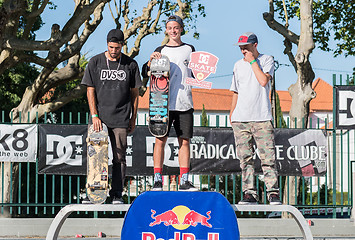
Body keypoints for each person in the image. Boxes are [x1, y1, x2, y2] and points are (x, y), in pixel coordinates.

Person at [81, 29, 142, 204]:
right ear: (106, 44)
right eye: (111, 47)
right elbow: (90, 89)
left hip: (121, 118)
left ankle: (116, 194)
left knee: (119, 157)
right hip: (100, 118)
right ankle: (93, 192)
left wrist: (133, 118)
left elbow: (135, 94)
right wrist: (94, 115)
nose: (114, 51)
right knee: (95, 155)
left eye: (117, 47)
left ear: (122, 45)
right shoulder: (95, 62)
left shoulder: (130, 64)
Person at [141, 15, 197, 191]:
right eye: (170, 28)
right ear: (166, 30)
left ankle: (184, 180)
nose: (173, 31)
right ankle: (157, 179)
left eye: (176, 28)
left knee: (184, 142)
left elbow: (197, 74)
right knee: (159, 141)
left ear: (181, 29)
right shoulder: (160, 49)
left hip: (184, 102)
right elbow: (145, 72)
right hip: (162, 104)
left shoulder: (190, 49)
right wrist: (151, 61)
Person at [229, 32, 281, 205]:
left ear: (255, 45)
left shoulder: (266, 60)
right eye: (241, 48)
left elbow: (263, 81)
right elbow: (235, 91)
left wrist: (252, 61)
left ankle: (272, 193)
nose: (243, 50)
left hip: (261, 117)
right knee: (245, 159)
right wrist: (232, 113)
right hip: (241, 118)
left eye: (246, 47)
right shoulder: (237, 65)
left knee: (268, 158)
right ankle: (249, 193)